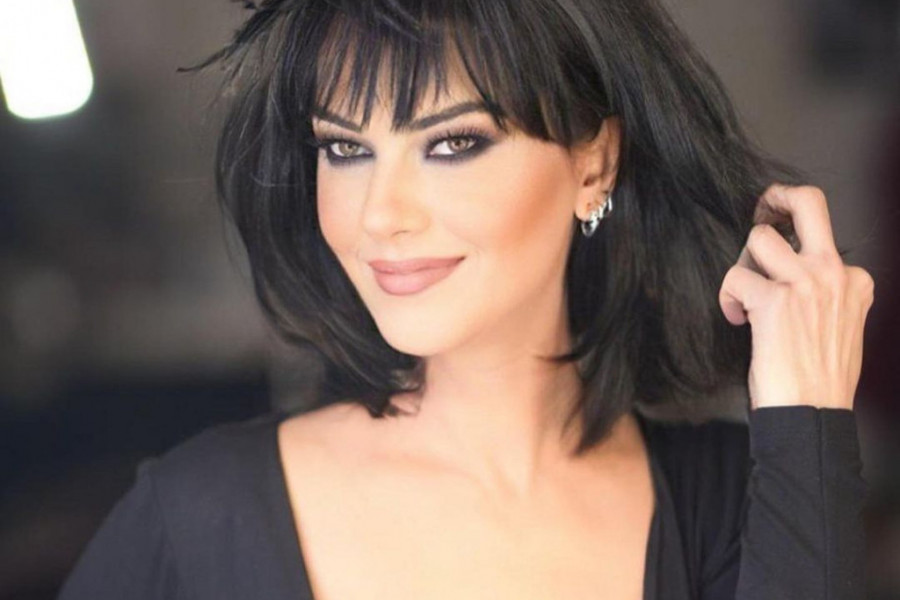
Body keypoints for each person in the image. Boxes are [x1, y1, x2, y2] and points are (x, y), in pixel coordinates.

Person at [58, 0, 875, 598]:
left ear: (594, 163)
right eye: (345, 149)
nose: (380, 214)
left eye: (453, 143)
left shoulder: (731, 501)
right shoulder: (198, 517)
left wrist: (807, 415)